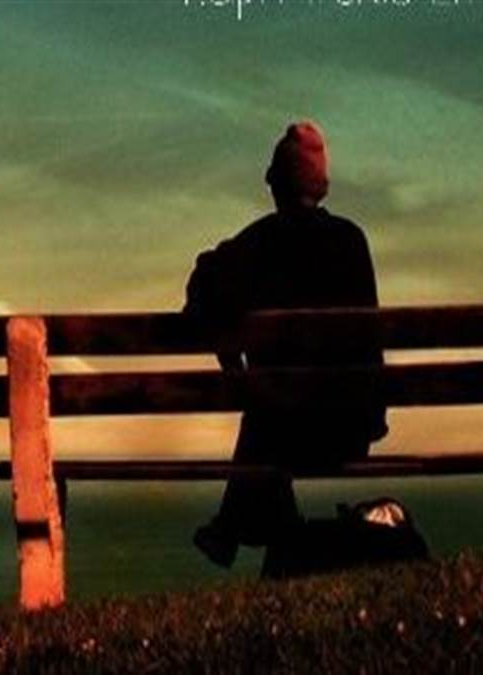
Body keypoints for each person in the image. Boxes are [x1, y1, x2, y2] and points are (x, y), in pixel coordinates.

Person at [183, 120, 388, 568]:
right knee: (271, 413)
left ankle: (235, 530)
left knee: (266, 415)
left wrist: (233, 366)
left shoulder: (259, 244)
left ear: (275, 184)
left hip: (283, 433)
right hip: (349, 431)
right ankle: (256, 537)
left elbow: (202, 288)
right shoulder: (351, 242)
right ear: (322, 187)